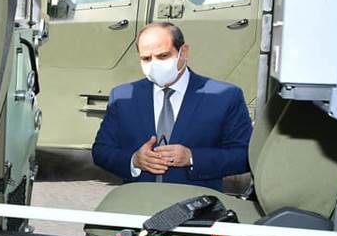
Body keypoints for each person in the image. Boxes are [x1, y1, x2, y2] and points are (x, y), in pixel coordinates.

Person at [92, 22, 252, 191]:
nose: (154, 64)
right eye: (146, 58)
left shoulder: (225, 97)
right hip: (139, 200)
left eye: (163, 56)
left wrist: (192, 158)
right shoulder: (122, 97)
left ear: (184, 52)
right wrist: (134, 160)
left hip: (196, 202)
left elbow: (245, 156)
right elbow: (101, 151)